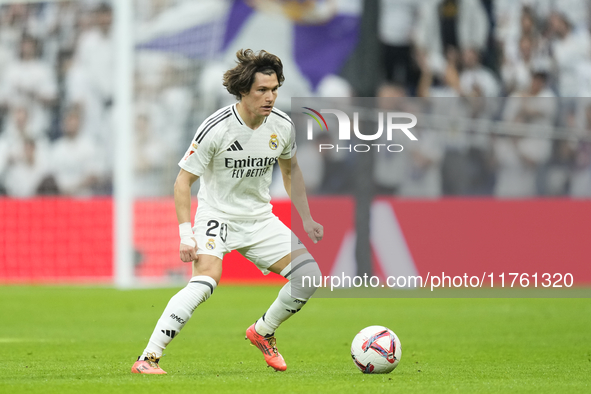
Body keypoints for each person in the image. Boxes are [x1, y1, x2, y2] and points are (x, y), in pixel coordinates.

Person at [131, 49, 323, 374]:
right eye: (262, 90)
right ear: (244, 91)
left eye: (275, 89)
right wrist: (185, 235)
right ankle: (148, 358)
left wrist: (306, 217)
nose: (270, 97)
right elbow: (182, 182)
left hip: (260, 218)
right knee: (205, 283)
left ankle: (263, 331)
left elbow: (291, 172)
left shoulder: (282, 126)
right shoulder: (216, 128)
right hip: (216, 216)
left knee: (309, 276)